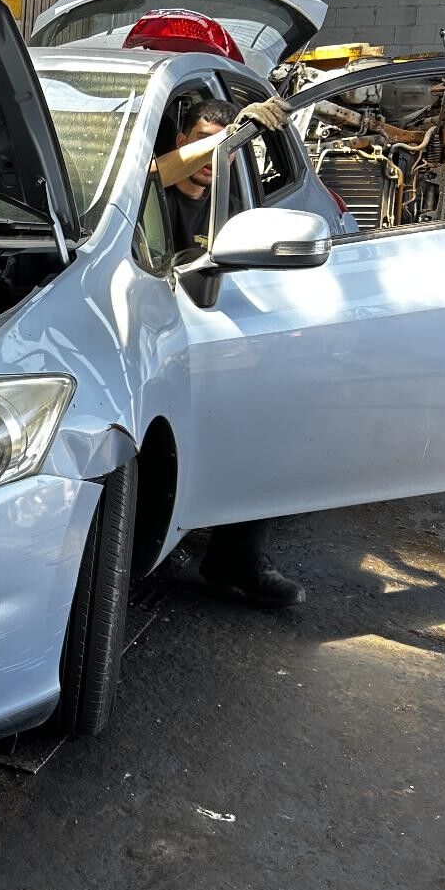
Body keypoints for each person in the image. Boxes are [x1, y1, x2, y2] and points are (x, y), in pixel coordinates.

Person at [151, 95, 306, 610]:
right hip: (151, 335)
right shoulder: (151, 190)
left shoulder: (234, 207)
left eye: (229, 149)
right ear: (183, 141)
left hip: (212, 338)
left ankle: (236, 559)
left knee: (263, 418)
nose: (216, 158)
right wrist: (225, 139)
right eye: (203, 140)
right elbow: (153, 175)